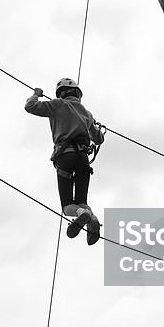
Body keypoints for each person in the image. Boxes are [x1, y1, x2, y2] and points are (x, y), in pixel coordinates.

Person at [25, 78, 105, 245]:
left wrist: (36, 94)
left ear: (60, 93)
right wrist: (97, 129)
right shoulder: (87, 113)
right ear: (78, 93)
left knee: (68, 206)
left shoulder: (57, 105)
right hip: (83, 159)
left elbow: (30, 107)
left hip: (65, 157)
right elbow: (98, 140)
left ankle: (82, 213)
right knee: (81, 201)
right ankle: (93, 219)